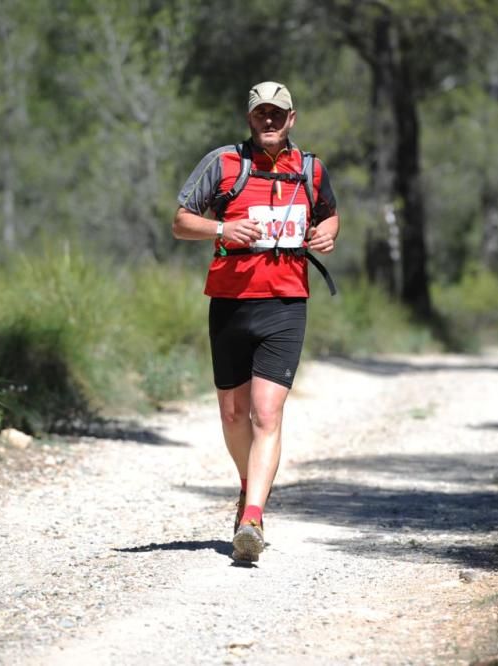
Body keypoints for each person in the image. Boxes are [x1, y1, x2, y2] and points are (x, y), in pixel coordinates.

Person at [172, 81, 340, 562]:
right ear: (250, 117)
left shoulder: (310, 168)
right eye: (261, 113)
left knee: (266, 413)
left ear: (291, 119)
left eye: (278, 113)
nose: (270, 120)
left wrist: (325, 234)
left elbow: (330, 215)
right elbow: (182, 221)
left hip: (286, 304)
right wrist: (223, 227)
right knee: (232, 413)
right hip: (229, 301)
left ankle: (251, 518)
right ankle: (248, 487)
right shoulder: (222, 164)